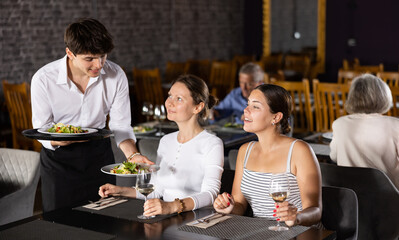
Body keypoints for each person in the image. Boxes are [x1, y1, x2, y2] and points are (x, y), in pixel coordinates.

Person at [31, 18, 151, 212]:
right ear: (70, 53)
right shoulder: (44, 79)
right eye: (89, 59)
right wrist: (61, 140)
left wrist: (133, 154)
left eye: (102, 56)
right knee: (60, 224)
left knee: (106, 218)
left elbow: (121, 125)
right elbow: (42, 128)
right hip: (60, 161)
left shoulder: (116, 75)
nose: (99, 64)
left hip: (99, 157)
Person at [99, 74, 224, 216]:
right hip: (167, 217)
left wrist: (172, 206)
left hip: (198, 219)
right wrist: (120, 190)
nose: (169, 103)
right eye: (170, 96)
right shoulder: (166, 141)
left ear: (198, 107)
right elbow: (157, 190)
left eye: (179, 99)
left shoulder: (212, 143)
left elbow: (211, 194)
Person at [213, 84, 322, 227]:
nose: (245, 110)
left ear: (276, 117)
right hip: (263, 232)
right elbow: (240, 204)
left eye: (255, 107)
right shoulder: (245, 151)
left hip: (300, 232)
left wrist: (296, 217)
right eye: (248, 104)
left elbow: (315, 210)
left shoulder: (299, 150)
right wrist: (230, 208)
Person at [330, 74, 399, 189]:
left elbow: (334, 157)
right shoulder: (395, 125)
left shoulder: (339, 124)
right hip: (389, 198)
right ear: (384, 97)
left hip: (352, 198)